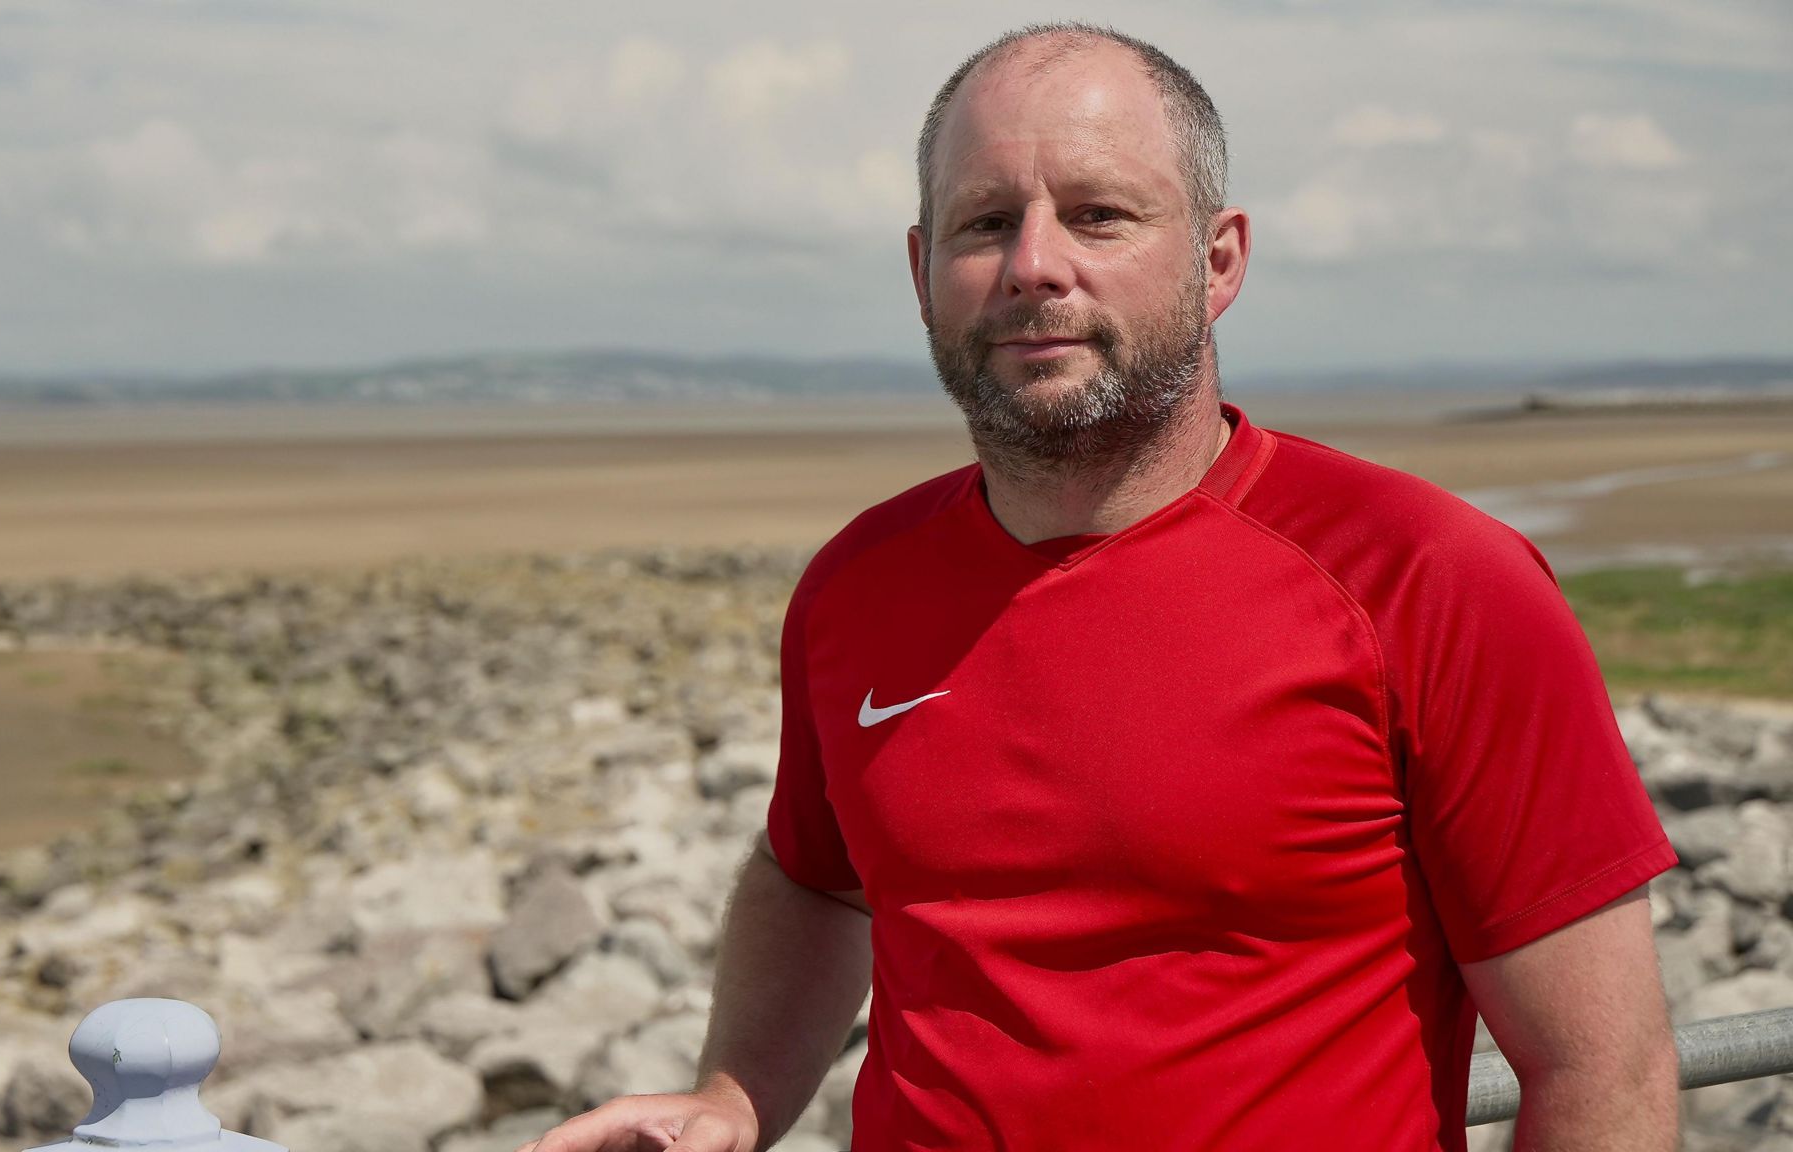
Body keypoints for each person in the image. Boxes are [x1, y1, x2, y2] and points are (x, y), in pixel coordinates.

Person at [526, 22, 1677, 1152]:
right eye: (984, 223)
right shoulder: (855, 584)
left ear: (1216, 260)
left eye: (1098, 215)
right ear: (920, 271)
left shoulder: (1427, 578)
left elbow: (1600, 1074)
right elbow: (813, 878)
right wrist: (733, 1099)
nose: (1033, 264)